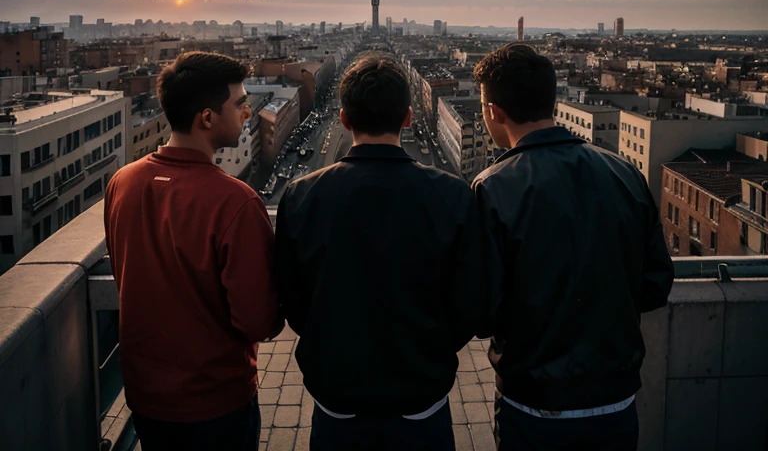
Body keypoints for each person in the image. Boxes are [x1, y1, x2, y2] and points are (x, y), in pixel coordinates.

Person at [472, 43, 674, 451]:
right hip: (614, 403)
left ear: (493, 112)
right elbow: (655, 285)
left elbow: (481, 311)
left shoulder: (493, 189)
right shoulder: (624, 174)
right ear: (553, 101)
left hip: (532, 406)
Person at [276, 54, 483, 451]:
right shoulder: (453, 195)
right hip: (421, 395)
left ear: (344, 119)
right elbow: (468, 302)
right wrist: (431, 348)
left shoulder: (301, 196)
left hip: (338, 396)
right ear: (407, 118)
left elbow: (293, 298)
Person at [104, 51, 282, 450]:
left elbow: (124, 275)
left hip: (146, 399)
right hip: (215, 402)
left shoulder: (122, 183)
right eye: (239, 105)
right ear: (206, 118)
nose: (248, 113)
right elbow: (257, 320)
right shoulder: (235, 202)